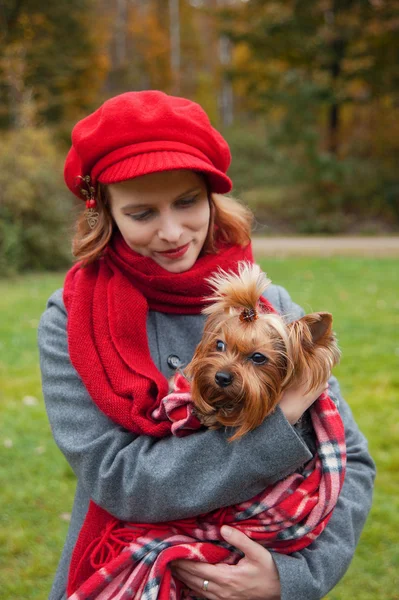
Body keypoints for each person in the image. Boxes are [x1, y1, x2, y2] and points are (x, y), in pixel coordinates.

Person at [38, 90, 375, 600]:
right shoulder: (71, 319)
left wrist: (293, 579)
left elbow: (349, 459)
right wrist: (278, 422)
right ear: (103, 213)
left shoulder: (270, 304)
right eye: (141, 213)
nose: (172, 232)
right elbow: (120, 479)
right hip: (121, 572)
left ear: (212, 197)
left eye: (187, 202)